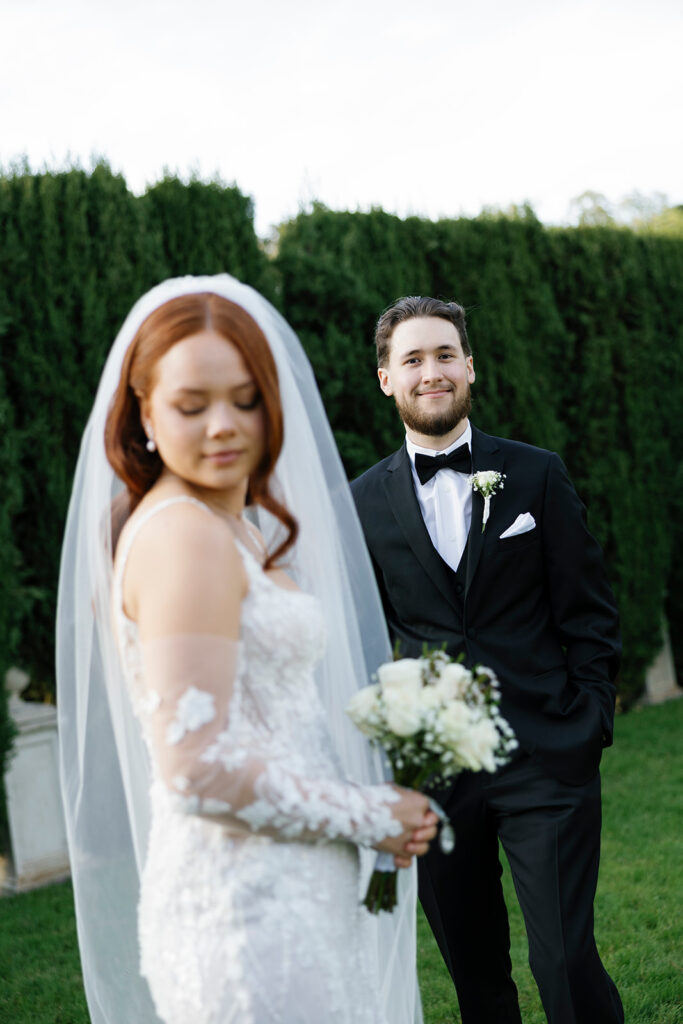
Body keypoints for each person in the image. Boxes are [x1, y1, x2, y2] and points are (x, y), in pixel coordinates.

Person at [57, 275, 437, 1024]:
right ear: (144, 413)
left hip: (288, 889)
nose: (225, 426)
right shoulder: (184, 534)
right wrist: (367, 813)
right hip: (247, 913)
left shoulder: (230, 524)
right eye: (192, 406)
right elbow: (196, 769)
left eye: (245, 399)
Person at [351, 296, 624, 1024]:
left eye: (444, 354)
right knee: (476, 979)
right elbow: (366, 638)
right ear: (385, 379)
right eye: (411, 359)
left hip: (546, 753)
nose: (430, 371)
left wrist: (590, 714)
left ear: (468, 366)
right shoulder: (359, 504)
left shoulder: (535, 476)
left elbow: (589, 611)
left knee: (564, 961)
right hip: (435, 774)